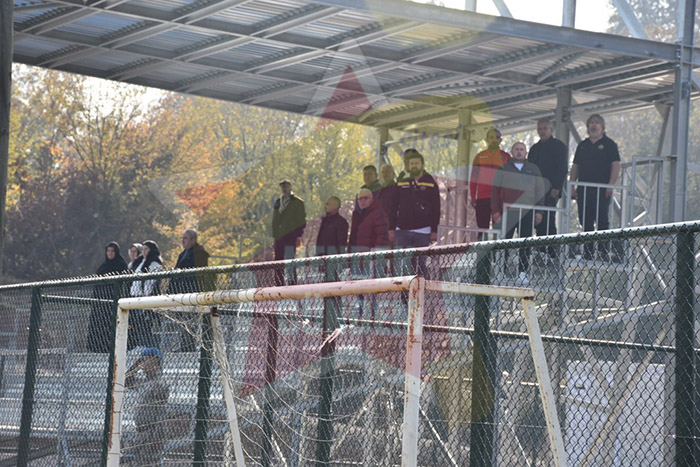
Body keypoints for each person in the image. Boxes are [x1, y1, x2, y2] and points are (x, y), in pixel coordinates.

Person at [491, 142, 546, 284]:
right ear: (512, 152)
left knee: (525, 243)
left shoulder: (533, 169)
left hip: (527, 211)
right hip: (508, 211)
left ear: (526, 152)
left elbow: (540, 190)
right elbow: (495, 191)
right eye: (516, 149)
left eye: (522, 149)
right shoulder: (504, 168)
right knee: (504, 242)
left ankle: (523, 273)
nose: (519, 152)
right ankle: (500, 272)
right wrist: (495, 211)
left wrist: (539, 211)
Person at [570, 114, 622, 259]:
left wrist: (610, 185)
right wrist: (572, 185)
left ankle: (602, 251)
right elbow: (575, 166)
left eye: (596, 123)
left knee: (602, 220)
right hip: (584, 190)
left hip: (602, 190)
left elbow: (616, 165)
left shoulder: (610, 144)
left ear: (602, 127)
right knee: (585, 220)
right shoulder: (582, 145)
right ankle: (588, 251)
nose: (593, 125)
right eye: (591, 123)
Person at [388, 149, 440, 278]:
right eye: (412, 163)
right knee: (404, 264)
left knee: (421, 264)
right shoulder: (401, 180)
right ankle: (404, 290)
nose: (414, 166)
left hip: (423, 231)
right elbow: (393, 206)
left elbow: (436, 208)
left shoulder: (430, 182)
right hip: (402, 230)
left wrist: (434, 230)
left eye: (417, 163)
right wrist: (391, 228)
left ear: (422, 165)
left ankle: (422, 289)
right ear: (408, 165)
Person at [125, 347, 169, 466]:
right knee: (139, 462)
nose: (142, 363)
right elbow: (126, 381)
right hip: (142, 431)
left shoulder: (159, 384)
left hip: (152, 432)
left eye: (145, 360)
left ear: (154, 362)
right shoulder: (144, 382)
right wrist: (135, 366)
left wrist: (157, 437)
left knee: (148, 462)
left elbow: (160, 413)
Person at [169, 229, 210, 352]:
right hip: (181, 291)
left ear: (193, 240)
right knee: (183, 319)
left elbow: (198, 272)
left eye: (185, 238)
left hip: (192, 290)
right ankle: (184, 344)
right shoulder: (183, 254)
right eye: (182, 238)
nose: (183, 241)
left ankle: (189, 344)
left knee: (190, 318)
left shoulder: (199, 253)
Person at [528, 118, 568, 240]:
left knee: (548, 220)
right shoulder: (534, 149)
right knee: (536, 220)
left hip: (551, 190)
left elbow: (562, 169)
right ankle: (540, 248)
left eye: (545, 128)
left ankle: (551, 250)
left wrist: (556, 187)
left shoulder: (559, 146)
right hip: (535, 191)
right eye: (540, 129)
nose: (542, 131)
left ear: (551, 130)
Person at [86, 242, 129, 353]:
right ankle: (97, 347)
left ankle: (110, 348)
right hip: (100, 301)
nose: (110, 253)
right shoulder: (104, 265)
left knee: (110, 324)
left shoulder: (120, 265)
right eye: (108, 251)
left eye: (112, 251)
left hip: (112, 300)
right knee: (98, 324)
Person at [469, 128, 511, 236]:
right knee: (482, 230)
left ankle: (498, 248)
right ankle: (483, 248)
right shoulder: (479, 157)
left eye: (497, 137)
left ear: (500, 140)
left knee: (500, 230)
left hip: (499, 198)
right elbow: (474, 178)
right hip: (483, 198)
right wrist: (473, 196)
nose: (494, 140)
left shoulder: (506, 157)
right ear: (487, 140)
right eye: (491, 137)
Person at [130, 241, 164, 348]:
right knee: (138, 325)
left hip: (145, 298)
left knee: (145, 326)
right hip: (136, 296)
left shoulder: (154, 263)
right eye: (143, 249)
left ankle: (147, 347)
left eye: (146, 249)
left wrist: (145, 296)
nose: (144, 252)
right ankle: (141, 346)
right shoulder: (143, 261)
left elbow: (151, 283)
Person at [271, 179, 306, 285]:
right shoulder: (278, 202)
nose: (284, 189)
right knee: (278, 261)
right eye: (282, 187)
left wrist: (298, 236)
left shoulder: (297, 202)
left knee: (290, 261)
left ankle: (292, 283)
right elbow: (275, 220)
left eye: (286, 186)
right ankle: (278, 284)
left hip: (291, 236)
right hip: (279, 237)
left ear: (291, 188)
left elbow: (301, 220)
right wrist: (275, 236)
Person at [349, 189, 390, 253]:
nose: (362, 201)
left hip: (371, 254)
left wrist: (377, 253)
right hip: (357, 253)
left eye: (365, 198)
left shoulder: (378, 213)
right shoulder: (357, 215)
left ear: (372, 199)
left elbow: (382, 236)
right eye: (360, 199)